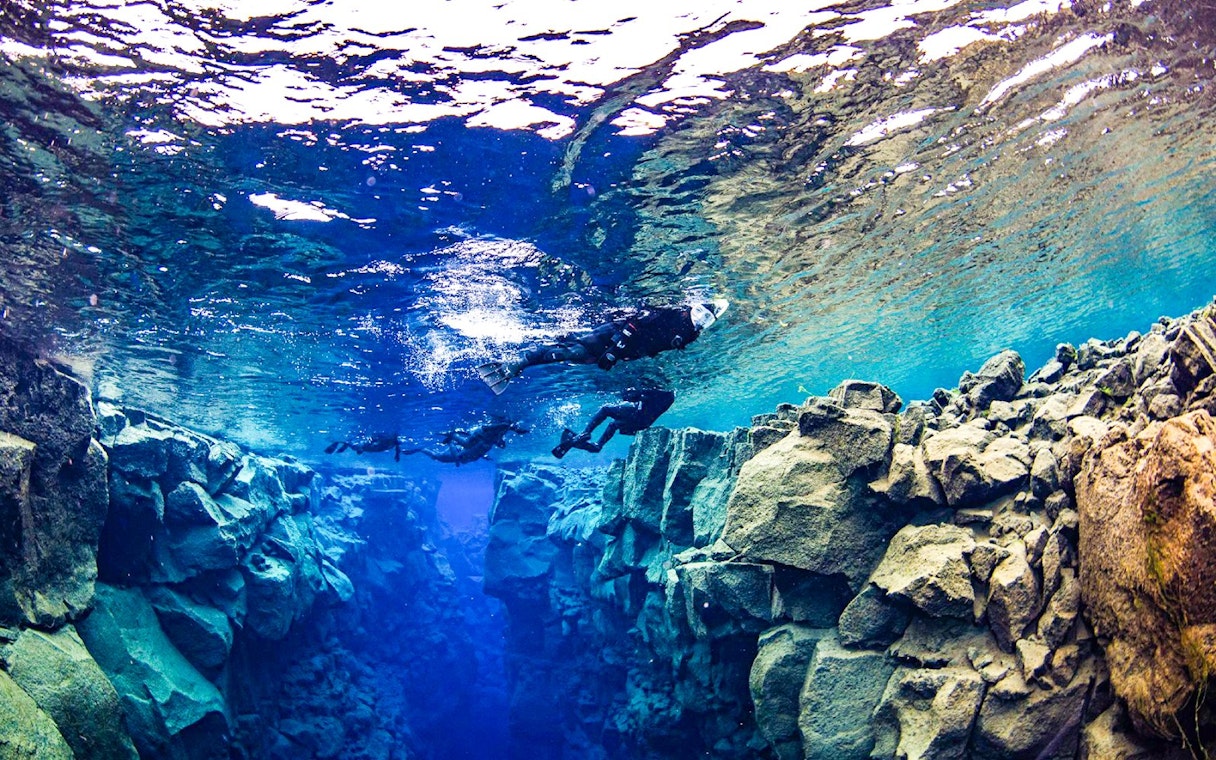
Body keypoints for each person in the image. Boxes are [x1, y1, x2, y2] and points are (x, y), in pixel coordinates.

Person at [477, 299, 728, 395]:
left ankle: (522, 361)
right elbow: (634, 323)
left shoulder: (688, 334)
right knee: (573, 351)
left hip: (621, 351)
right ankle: (517, 362)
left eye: (705, 320)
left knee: (575, 354)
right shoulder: (672, 314)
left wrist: (620, 355)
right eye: (699, 314)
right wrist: (615, 350)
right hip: (613, 336)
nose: (698, 320)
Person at [552, 388, 675, 458]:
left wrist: (630, 394)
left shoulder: (656, 391)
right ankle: (596, 446)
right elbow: (638, 398)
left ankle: (586, 433)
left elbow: (633, 396)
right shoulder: (667, 394)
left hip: (639, 417)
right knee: (613, 424)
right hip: (642, 423)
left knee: (606, 409)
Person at [401, 417, 530, 466]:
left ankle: (451, 435)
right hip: (481, 436)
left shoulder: (464, 456)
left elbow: (475, 449)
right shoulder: (467, 455)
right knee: (441, 455)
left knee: (464, 444)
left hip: (481, 436)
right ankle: (451, 435)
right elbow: (476, 449)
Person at [325, 434, 404, 461]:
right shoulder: (391, 443)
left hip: (369, 447)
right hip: (370, 447)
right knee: (354, 445)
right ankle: (339, 444)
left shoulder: (392, 444)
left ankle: (341, 444)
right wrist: (397, 455)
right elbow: (396, 445)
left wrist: (397, 454)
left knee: (354, 446)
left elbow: (397, 445)